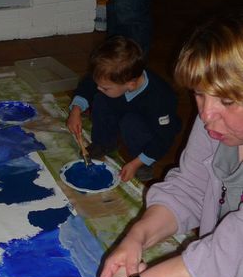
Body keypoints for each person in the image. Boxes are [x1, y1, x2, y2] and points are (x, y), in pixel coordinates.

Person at [97, 10, 243, 277]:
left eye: (227, 100)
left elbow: (231, 251)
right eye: (199, 93)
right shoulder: (215, 121)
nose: (207, 115)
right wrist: (138, 237)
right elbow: (191, 187)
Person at [66, 36, 180, 182]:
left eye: (105, 87)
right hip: (123, 108)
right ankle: (104, 143)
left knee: (130, 122)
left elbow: (163, 138)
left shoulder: (160, 98)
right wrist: (76, 110)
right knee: (100, 98)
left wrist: (137, 162)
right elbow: (89, 85)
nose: (99, 88)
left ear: (131, 85)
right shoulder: (111, 79)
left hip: (152, 128)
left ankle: (144, 162)